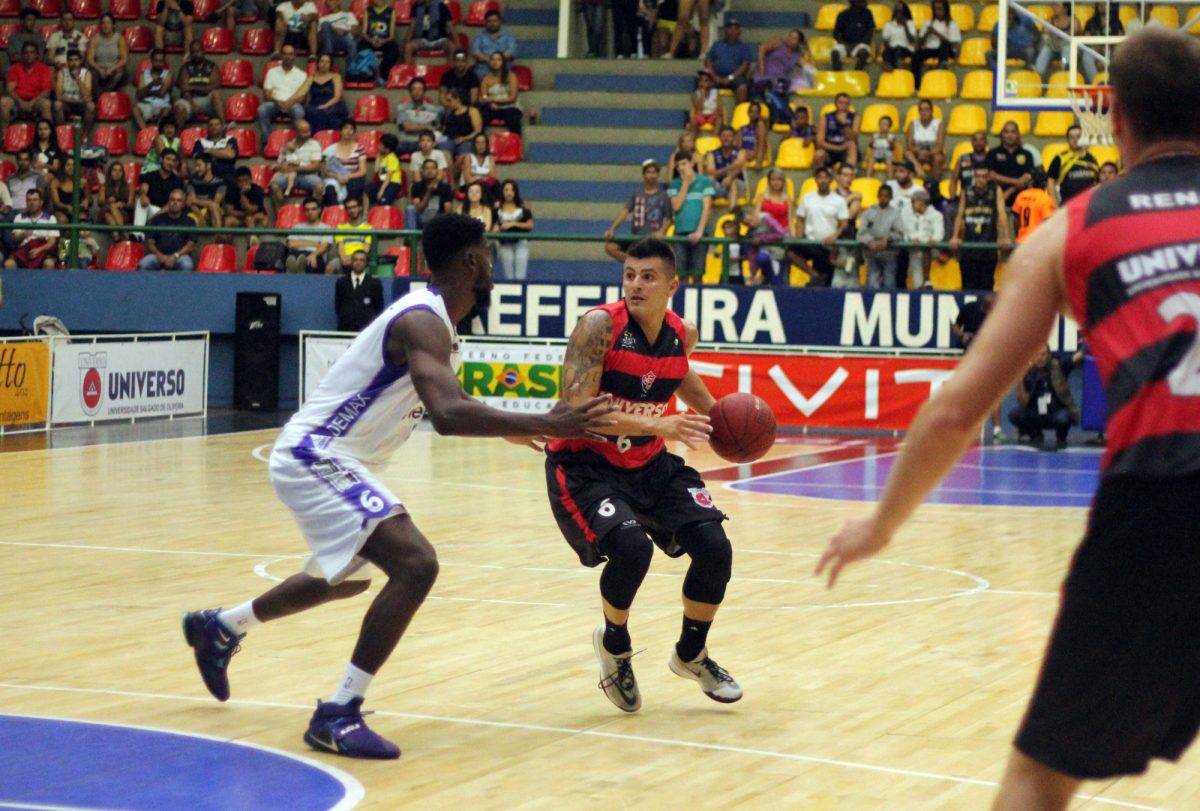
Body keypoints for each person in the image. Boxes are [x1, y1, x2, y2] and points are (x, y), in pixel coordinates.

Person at [818, 30, 1200, 808]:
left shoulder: (1070, 230)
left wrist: (882, 523)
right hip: (1163, 494)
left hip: (1164, 496)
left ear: (1115, 118)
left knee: (1039, 777)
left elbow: (957, 409)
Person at [183, 213, 617, 760]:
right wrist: (544, 421)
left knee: (345, 581)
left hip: (335, 458)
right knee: (416, 564)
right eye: (487, 253)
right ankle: (338, 713)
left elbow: (450, 403)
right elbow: (448, 414)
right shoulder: (421, 320)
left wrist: (511, 427)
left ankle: (221, 627)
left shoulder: (436, 325)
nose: (492, 264)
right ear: (472, 261)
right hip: (318, 453)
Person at [546, 235, 740, 715]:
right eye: (630, 275)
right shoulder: (598, 326)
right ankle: (614, 645)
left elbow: (677, 374)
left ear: (672, 286)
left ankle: (691, 654)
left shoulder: (681, 333)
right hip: (587, 465)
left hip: (648, 463)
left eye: (648, 277)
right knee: (631, 549)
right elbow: (579, 414)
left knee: (715, 548)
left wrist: (723, 420)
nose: (635, 284)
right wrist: (660, 424)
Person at [950, 167, 1012, 290]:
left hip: (988, 246)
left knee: (986, 285)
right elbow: (960, 214)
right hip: (969, 246)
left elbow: (1002, 214)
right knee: (968, 286)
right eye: (978, 176)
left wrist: (1006, 236)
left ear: (988, 178)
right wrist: (955, 236)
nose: (980, 179)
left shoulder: (995, 191)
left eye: (984, 177)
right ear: (974, 177)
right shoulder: (966, 191)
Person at [788, 165, 850, 287]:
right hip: (810, 242)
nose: (823, 180)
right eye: (820, 177)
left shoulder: (839, 200)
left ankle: (818, 277)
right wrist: (798, 237)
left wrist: (834, 236)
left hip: (827, 245)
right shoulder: (807, 198)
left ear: (831, 180)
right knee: (791, 253)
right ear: (815, 180)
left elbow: (844, 224)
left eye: (826, 177)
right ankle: (814, 274)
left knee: (825, 283)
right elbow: (800, 219)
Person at [1010, 345, 1080, 451]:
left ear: (1049, 355)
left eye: (1043, 354)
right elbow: (1023, 402)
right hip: (1036, 414)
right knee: (1014, 414)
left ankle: (1061, 437)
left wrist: (1088, 342)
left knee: (1064, 418)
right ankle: (1035, 435)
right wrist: (1020, 379)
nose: (1040, 358)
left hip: (1056, 413)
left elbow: (1078, 356)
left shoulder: (1059, 365)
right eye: (1036, 355)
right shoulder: (1028, 372)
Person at [605, 158, 672, 263]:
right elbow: (625, 211)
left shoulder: (664, 195)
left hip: (652, 239)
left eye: (654, 172)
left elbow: (669, 218)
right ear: (643, 174)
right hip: (636, 237)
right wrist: (612, 229)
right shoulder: (636, 194)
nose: (652, 175)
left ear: (658, 175)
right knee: (610, 247)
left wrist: (661, 232)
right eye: (649, 172)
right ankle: (635, 262)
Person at [666, 152, 714, 284]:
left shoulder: (704, 181)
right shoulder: (674, 184)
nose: (681, 168)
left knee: (698, 274)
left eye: (684, 164)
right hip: (680, 233)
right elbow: (676, 207)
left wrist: (699, 232)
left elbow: (706, 208)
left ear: (692, 163)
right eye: (678, 165)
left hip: (700, 234)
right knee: (681, 275)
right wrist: (685, 184)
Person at [858, 184, 907, 288]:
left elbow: (900, 233)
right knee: (872, 285)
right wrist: (869, 241)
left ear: (890, 197)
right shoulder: (869, 212)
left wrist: (888, 238)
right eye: (881, 196)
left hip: (889, 255)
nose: (883, 198)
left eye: (886, 196)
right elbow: (861, 233)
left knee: (889, 284)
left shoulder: (895, 214)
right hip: (872, 254)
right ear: (878, 196)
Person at [1, 42, 53, 133]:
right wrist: (21, 102)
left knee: (46, 104)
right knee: (3, 102)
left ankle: (49, 136)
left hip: (36, 102)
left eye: (32, 52)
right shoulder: (15, 68)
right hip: (17, 102)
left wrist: (32, 103)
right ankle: (4, 135)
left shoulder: (43, 68)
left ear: (37, 55)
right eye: (26, 52)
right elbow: (10, 90)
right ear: (22, 55)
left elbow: (46, 92)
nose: (29, 55)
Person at [138, 188, 196, 270]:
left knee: (187, 266)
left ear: (183, 204)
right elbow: (150, 243)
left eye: (179, 200)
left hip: (180, 256)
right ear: (168, 202)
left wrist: (175, 256)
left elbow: (190, 246)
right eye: (172, 199)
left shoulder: (190, 221)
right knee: (144, 264)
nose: (175, 202)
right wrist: (160, 256)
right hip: (158, 255)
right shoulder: (157, 219)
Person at [269, 118, 323, 205]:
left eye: (309, 131)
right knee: (274, 185)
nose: (308, 134)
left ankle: (314, 211)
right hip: (288, 175)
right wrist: (281, 167)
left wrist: (295, 168)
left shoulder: (315, 144)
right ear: (296, 132)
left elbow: (315, 166)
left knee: (319, 187)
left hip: (308, 176)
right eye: (304, 132)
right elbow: (280, 163)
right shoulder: (287, 145)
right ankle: (280, 212)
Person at [259, 45, 309, 139]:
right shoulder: (272, 72)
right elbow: (267, 95)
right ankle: (267, 141)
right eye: (285, 54)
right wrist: (278, 102)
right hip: (275, 104)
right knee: (263, 109)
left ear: (294, 56)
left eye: (290, 54)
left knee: (299, 111)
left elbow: (303, 98)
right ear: (281, 56)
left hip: (293, 104)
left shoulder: (302, 74)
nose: (288, 57)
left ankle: (296, 141)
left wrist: (289, 102)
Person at [704, 18, 755, 104]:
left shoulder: (743, 47)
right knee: (704, 83)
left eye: (735, 28)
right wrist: (714, 76)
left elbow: (745, 65)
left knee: (742, 87)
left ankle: (739, 110)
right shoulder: (717, 44)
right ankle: (705, 110)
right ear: (725, 30)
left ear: (739, 31)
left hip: (735, 77)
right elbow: (708, 60)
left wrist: (730, 78)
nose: (732, 30)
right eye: (730, 28)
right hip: (715, 76)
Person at [1046, 125, 1100, 204]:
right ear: (1067, 140)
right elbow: (1050, 181)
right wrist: (1054, 204)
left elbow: (1098, 182)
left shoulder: (1092, 159)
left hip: (1088, 205)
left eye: (1078, 136)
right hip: (1068, 205)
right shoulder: (1060, 158)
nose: (1075, 140)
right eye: (1072, 137)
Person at [5, 188, 58, 269]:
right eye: (29, 200)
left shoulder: (50, 218)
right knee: (9, 264)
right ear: (26, 202)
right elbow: (15, 237)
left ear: (41, 202)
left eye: (35, 200)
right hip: (24, 251)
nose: (32, 203)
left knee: (49, 263)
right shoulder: (19, 217)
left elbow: (52, 242)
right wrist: (23, 235)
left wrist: (38, 250)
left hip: (43, 250)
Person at [134, 147, 186, 229]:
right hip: (151, 210)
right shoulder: (150, 175)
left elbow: (173, 203)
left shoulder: (177, 181)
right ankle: (137, 234)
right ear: (161, 159)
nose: (170, 163)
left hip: (168, 213)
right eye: (168, 159)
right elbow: (143, 189)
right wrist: (143, 196)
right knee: (140, 201)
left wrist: (155, 217)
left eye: (173, 160)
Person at [174, 39, 221, 129]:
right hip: (189, 99)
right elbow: (184, 89)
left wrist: (193, 87)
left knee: (216, 94)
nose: (196, 54)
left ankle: (223, 127)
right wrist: (192, 104)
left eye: (198, 51)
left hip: (206, 100)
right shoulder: (185, 67)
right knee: (179, 107)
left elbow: (215, 86)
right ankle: (177, 135)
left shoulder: (212, 66)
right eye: (193, 52)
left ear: (203, 51)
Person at [902, 186, 943, 288]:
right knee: (917, 283)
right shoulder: (910, 216)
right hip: (915, 252)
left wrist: (934, 239)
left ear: (922, 202)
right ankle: (924, 284)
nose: (912, 204)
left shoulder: (936, 215)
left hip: (932, 252)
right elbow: (907, 232)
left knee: (927, 250)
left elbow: (939, 233)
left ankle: (927, 280)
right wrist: (912, 238)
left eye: (913, 202)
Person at [987, 120, 1034, 206]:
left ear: (1018, 135)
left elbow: (1027, 176)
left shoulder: (1027, 154)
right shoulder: (992, 153)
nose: (1010, 135)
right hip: (997, 200)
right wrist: (1016, 182)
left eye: (1013, 132)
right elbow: (992, 175)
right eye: (1006, 132)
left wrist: (1010, 191)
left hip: (1021, 201)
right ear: (1002, 134)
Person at [334, 250, 384, 331]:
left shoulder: (374, 283)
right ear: (351, 262)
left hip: (367, 329)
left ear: (366, 263)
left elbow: (379, 308)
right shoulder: (341, 282)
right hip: (345, 328)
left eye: (362, 260)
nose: (358, 263)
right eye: (356, 260)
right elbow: (338, 306)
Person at [321, 120, 367, 206]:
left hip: (352, 177)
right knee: (330, 189)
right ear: (340, 131)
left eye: (351, 129)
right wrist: (337, 177)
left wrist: (348, 176)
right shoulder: (330, 149)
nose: (348, 131)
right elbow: (325, 171)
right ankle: (336, 210)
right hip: (335, 177)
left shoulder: (360, 148)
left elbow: (362, 171)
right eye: (345, 128)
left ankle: (349, 209)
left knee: (353, 185)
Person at [494, 179, 532, 281]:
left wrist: (513, 224)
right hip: (505, 243)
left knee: (520, 276)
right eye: (506, 190)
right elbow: (494, 226)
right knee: (508, 276)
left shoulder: (523, 206)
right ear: (502, 192)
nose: (509, 193)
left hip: (521, 242)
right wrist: (497, 228)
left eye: (512, 190)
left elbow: (530, 225)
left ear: (516, 192)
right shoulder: (497, 208)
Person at [394, 78, 445, 154]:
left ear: (424, 92)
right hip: (406, 142)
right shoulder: (402, 108)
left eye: (420, 89)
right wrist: (426, 127)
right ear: (410, 92)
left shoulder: (432, 110)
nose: (417, 92)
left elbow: (436, 128)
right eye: (414, 89)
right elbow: (407, 127)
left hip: (424, 143)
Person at [914, 0, 961, 82]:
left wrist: (936, 33)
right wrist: (926, 34)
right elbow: (920, 43)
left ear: (945, 10)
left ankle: (942, 67)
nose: (937, 12)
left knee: (944, 44)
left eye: (940, 9)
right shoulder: (928, 23)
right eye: (935, 9)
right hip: (931, 49)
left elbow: (954, 44)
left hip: (946, 51)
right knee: (917, 55)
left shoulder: (952, 24)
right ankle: (916, 83)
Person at [302, 53, 348, 135]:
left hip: (333, 105)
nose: (324, 64)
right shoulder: (311, 78)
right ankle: (316, 138)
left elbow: (337, 97)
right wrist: (288, 101)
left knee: (326, 113)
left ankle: (328, 138)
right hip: (315, 105)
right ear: (318, 63)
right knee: (310, 112)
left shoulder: (336, 77)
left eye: (327, 62)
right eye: (322, 61)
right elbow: (301, 92)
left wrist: (324, 106)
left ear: (330, 64)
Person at [479, 52, 522, 136]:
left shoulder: (511, 76)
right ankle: (481, 140)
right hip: (493, 108)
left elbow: (512, 98)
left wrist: (493, 100)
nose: (495, 62)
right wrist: (489, 103)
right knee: (480, 115)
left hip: (510, 107)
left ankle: (515, 141)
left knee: (514, 117)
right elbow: (484, 96)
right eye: (493, 60)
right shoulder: (486, 79)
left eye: (498, 60)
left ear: (503, 62)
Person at [86, 14, 129, 99]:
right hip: (99, 69)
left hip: (114, 69)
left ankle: (103, 95)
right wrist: (99, 69)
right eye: (103, 23)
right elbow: (90, 59)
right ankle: (101, 97)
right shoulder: (94, 39)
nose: (105, 25)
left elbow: (124, 59)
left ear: (113, 25)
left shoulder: (119, 38)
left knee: (120, 73)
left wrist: (112, 68)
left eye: (108, 23)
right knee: (91, 73)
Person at [285, 196, 332, 274]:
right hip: (297, 253)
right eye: (307, 210)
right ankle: (297, 270)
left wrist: (314, 254)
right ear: (304, 212)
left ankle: (298, 271)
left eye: (313, 209)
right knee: (293, 257)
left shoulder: (326, 228)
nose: (310, 212)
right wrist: (315, 244)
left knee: (309, 262)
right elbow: (291, 244)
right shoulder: (297, 227)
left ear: (319, 210)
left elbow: (324, 246)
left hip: (316, 256)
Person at [1033, 2, 1080, 79]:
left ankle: (1066, 73)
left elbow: (1072, 34)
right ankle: (1038, 74)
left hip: (1067, 47)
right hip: (1053, 47)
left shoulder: (1073, 21)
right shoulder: (1050, 21)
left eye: (1057, 5)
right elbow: (1044, 32)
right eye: (1053, 5)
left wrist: (1054, 33)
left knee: (1067, 49)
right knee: (1045, 50)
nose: (1053, 7)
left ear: (1065, 8)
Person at [704, 125, 747, 208]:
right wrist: (731, 167)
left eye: (729, 136)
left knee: (733, 182)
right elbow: (711, 172)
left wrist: (730, 177)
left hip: (738, 186)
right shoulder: (712, 154)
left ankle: (732, 212)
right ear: (719, 137)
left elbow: (740, 165)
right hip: (718, 185)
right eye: (723, 135)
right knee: (707, 180)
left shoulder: (741, 151)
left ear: (733, 138)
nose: (726, 138)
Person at [405, 157, 452, 230]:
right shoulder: (417, 186)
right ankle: (412, 236)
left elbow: (447, 212)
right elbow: (418, 210)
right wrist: (429, 193)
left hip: (438, 220)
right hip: (422, 219)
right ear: (422, 171)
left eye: (433, 168)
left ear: (437, 171)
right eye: (426, 168)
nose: (429, 171)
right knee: (410, 209)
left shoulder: (445, 187)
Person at [815, 93, 859, 170]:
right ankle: (820, 174)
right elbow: (820, 141)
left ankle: (849, 172)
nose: (843, 106)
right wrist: (838, 148)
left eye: (846, 103)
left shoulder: (855, 117)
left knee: (852, 145)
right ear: (835, 103)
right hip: (830, 150)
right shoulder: (826, 117)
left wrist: (845, 124)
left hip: (845, 151)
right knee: (819, 154)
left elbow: (854, 138)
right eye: (841, 103)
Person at [359, 0, 400, 82]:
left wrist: (382, 41)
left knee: (394, 50)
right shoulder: (368, 11)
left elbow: (392, 36)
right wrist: (371, 41)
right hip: (370, 40)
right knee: (361, 47)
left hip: (385, 41)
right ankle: (366, 75)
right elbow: (364, 33)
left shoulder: (391, 11)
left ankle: (383, 74)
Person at [53, 49, 94, 130]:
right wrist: (75, 101)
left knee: (91, 106)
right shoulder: (62, 73)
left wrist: (77, 78)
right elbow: (58, 96)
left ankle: (85, 134)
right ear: (67, 62)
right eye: (71, 60)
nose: (74, 63)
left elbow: (87, 95)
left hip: (81, 105)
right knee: (57, 105)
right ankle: (62, 132)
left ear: (80, 61)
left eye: (76, 60)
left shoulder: (86, 73)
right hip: (67, 103)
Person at [1012, 168, 1055, 243]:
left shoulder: (1021, 195)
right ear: (1045, 183)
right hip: (1037, 242)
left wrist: (1018, 235)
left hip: (1022, 241)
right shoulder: (1045, 198)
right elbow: (1048, 222)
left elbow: (1016, 221)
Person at [329, 195, 371, 272]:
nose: (352, 210)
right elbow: (340, 246)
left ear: (360, 208)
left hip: (360, 257)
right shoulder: (340, 228)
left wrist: (355, 259)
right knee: (329, 268)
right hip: (345, 257)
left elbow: (366, 249)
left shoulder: (368, 228)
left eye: (354, 207)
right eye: (349, 208)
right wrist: (343, 258)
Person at [905, 99, 945, 179]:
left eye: (926, 110)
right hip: (917, 153)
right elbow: (910, 145)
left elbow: (939, 146)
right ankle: (920, 172)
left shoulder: (939, 124)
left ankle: (934, 182)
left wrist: (928, 153)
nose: (923, 113)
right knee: (907, 153)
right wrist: (919, 151)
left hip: (933, 153)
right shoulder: (913, 124)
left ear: (931, 111)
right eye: (921, 110)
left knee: (937, 158)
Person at [471, 9, 516, 80]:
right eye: (489, 21)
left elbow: (510, 52)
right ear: (485, 22)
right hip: (483, 73)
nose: (492, 24)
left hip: (503, 73)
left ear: (500, 21)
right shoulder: (479, 36)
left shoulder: (508, 36)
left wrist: (496, 61)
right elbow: (475, 53)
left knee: (510, 78)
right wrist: (491, 60)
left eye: (495, 21)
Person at [222, 166, 269, 236]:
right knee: (228, 221)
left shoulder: (257, 190)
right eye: (240, 181)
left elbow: (251, 210)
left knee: (249, 219)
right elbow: (229, 211)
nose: (244, 183)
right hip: (239, 217)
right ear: (236, 181)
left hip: (255, 216)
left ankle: (252, 240)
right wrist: (243, 215)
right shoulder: (231, 190)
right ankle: (225, 241)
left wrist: (242, 194)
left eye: (246, 180)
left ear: (251, 180)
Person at [194, 115, 239, 186]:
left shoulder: (230, 139)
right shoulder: (200, 142)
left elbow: (230, 155)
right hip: (206, 175)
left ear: (222, 127)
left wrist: (210, 151)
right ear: (208, 128)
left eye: (217, 124)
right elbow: (199, 159)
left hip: (226, 175)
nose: (213, 127)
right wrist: (223, 151)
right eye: (211, 125)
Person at [831, 0, 875, 71]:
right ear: (854, 2)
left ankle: (856, 73)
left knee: (864, 53)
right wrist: (843, 43)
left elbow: (870, 32)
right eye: (862, 1)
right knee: (835, 53)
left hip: (861, 44)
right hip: (844, 44)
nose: (865, 2)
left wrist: (862, 42)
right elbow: (836, 33)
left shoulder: (867, 14)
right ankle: (838, 74)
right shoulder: (843, 14)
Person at [186, 152, 225, 228]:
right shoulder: (192, 182)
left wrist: (196, 200)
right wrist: (200, 216)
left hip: (213, 212)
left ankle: (218, 233)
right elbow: (191, 202)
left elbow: (216, 203)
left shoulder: (220, 183)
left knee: (214, 206)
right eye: (195, 166)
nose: (196, 169)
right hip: (197, 212)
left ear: (208, 165)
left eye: (199, 165)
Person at [440, 89, 483, 158]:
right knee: (444, 152)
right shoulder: (449, 112)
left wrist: (464, 138)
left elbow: (478, 131)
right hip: (450, 139)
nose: (448, 103)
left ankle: (455, 165)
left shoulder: (472, 111)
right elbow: (445, 128)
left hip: (467, 140)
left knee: (465, 154)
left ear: (457, 99)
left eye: (449, 100)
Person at [949, 129, 988, 201]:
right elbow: (954, 180)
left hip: (988, 199)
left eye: (981, 139)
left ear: (986, 142)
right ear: (972, 142)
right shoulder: (963, 159)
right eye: (975, 140)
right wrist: (952, 198)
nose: (978, 143)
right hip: (967, 199)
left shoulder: (992, 158)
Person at [365, 134, 403, 206]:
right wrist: (379, 156)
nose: (378, 146)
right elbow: (376, 170)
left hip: (393, 183)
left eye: (381, 145)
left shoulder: (392, 158)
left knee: (383, 200)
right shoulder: (382, 157)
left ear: (387, 149)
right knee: (366, 190)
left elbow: (388, 177)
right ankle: (365, 212)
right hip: (383, 182)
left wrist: (381, 191)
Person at [100, 160, 135, 238]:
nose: (117, 173)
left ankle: (116, 236)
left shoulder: (130, 187)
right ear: (110, 173)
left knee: (108, 215)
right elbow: (100, 202)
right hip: (105, 212)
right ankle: (124, 234)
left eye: (120, 171)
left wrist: (123, 204)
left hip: (123, 214)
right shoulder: (104, 187)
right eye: (114, 170)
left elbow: (131, 205)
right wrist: (108, 201)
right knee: (110, 209)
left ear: (123, 173)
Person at [455, 132, 495, 200]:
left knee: (496, 184)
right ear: (474, 145)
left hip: (484, 185)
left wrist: (474, 174)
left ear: (486, 145)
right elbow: (468, 179)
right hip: (468, 186)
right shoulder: (468, 157)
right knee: (483, 188)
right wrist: (485, 175)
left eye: (483, 143)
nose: (480, 145)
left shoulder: (491, 158)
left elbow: (492, 177)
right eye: (478, 143)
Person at [880, 1, 916, 71]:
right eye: (898, 12)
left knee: (898, 50)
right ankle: (889, 66)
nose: (899, 14)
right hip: (892, 48)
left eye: (901, 12)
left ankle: (899, 68)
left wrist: (905, 26)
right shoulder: (889, 25)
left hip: (906, 48)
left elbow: (912, 40)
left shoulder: (910, 23)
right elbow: (885, 41)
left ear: (905, 13)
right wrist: (888, 46)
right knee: (886, 52)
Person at [740, 102, 769, 170]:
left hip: (755, 153)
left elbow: (761, 144)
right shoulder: (743, 128)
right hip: (744, 153)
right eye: (751, 111)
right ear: (748, 113)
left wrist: (758, 161)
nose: (753, 114)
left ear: (759, 114)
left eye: (756, 112)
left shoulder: (760, 125)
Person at [869, 114, 896, 179]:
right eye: (881, 124)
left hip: (887, 156)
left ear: (889, 127)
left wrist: (891, 143)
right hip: (876, 155)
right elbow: (870, 146)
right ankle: (868, 178)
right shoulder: (875, 135)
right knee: (870, 160)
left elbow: (893, 148)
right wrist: (871, 142)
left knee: (889, 162)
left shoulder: (891, 136)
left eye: (885, 124)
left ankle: (890, 180)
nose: (883, 126)